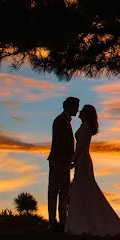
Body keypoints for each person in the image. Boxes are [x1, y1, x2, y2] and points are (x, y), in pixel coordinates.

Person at [65, 104, 120, 235]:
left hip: (82, 161)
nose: (80, 111)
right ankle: (83, 220)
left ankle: (83, 223)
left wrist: (72, 160)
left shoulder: (85, 128)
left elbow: (81, 147)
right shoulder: (84, 127)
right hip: (82, 161)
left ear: (87, 114)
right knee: (83, 190)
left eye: (82, 110)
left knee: (83, 189)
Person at [48, 96, 79, 231]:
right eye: (76, 107)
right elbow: (59, 144)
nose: (77, 109)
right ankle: (53, 222)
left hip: (63, 163)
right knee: (55, 191)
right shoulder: (60, 121)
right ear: (70, 107)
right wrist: (67, 160)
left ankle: (62, 221)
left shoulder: (65, 121)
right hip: (58, 162)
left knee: (63, 192)